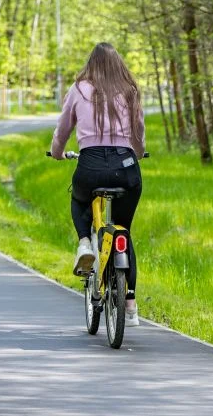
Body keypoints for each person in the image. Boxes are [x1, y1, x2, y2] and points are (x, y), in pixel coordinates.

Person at [49, 42, 145, 327]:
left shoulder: (79, 89)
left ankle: (83, 243)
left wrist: (57, 152)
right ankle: (130, 300)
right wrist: (136, 153)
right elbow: (138, 132)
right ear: (119, 64)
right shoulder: (130, 90)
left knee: (79, 200)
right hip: (126, 168)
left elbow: (63, 128)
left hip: (89, 166)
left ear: (91, 64)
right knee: (124, 231)